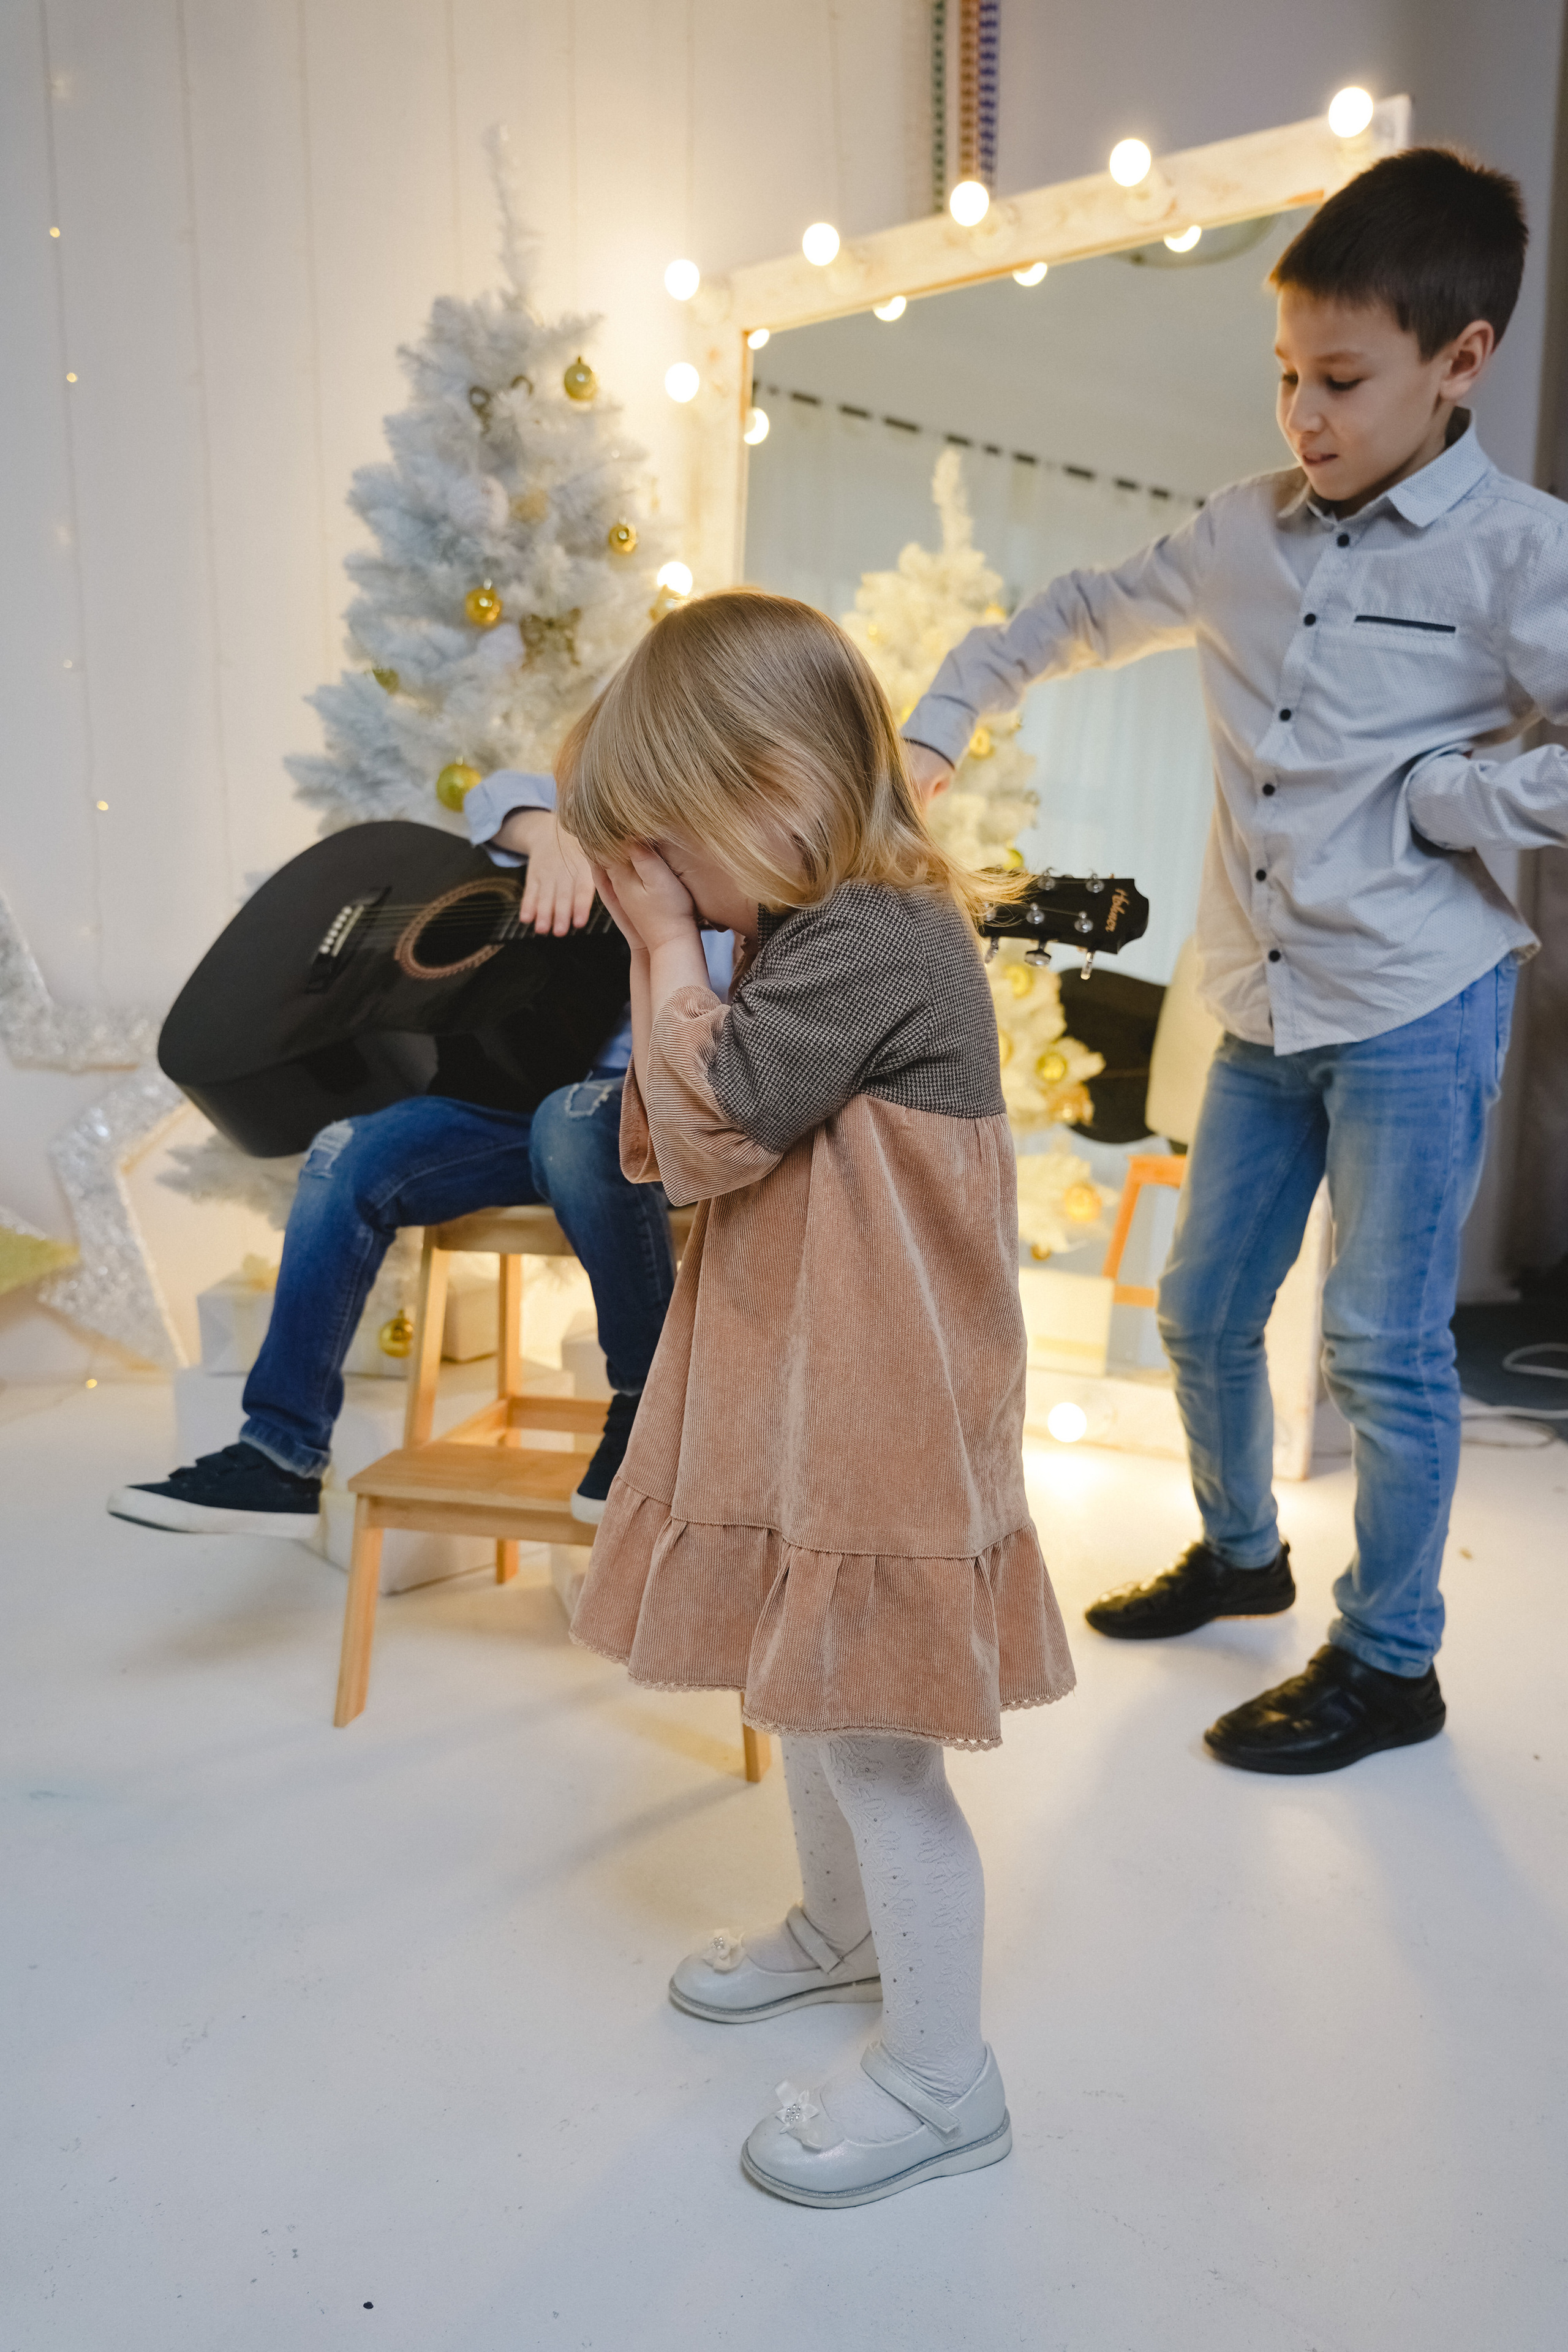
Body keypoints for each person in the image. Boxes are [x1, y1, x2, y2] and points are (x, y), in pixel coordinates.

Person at [903, 148, 1568, 1775]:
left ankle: (1390, 1664)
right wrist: (938, 720)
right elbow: (1073, 613)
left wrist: (1459, 799)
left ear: (1460, 359)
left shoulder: (1518, 554)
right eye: (1285, 376)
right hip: (1263, 999)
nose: (1302, 415)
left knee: (1381, 1346)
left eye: (1340, 380)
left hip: (1417, 1000)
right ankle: (1241, 1554)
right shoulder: (1236, 535)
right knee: (1201, 1310)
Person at [556, 589, 1076, 2208]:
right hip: (811, 1399)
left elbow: (710, 1130)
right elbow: (679, 1136)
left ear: (776, 788)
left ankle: (942, 2079)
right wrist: (678, 943)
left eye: (671, 849)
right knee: (809, 1691)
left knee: (880, 1755)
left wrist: (662, 950)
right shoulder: (810, 931)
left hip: (885, 1411)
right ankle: (842, 1931)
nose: (666, 885)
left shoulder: (880, 934)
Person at [109, 783, 732, 1539]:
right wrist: (548, 832)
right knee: (347, 1151)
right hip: (528, 1105)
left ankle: (648, 1409)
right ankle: (279, 1457)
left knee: (569, 1121)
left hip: (653, 1117)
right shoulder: (624, 803)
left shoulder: (747, 876)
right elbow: (497, 792)